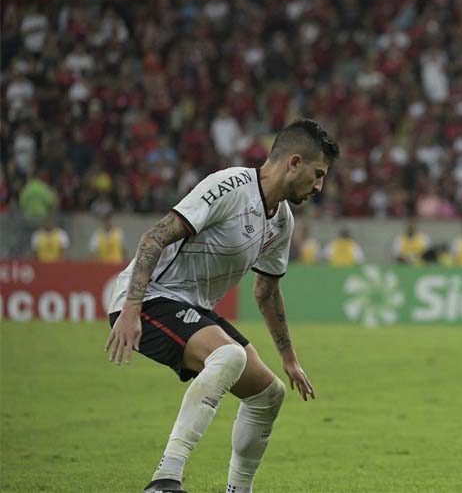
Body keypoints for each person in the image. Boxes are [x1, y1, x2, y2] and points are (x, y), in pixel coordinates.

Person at [105, 119, 339, 493]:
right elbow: (155, 236)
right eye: (318, 174)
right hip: (150, 298)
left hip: (192, 309)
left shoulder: (282, 220)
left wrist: (290, 358)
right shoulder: (228, 186)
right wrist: (132, 307)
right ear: (294, 162)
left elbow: (266, 292)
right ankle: (165, 480)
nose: (319, 186)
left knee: (268, 394)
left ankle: (237, 491)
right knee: (230, 357)